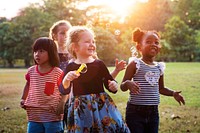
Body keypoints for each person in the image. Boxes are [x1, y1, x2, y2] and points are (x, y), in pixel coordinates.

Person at [49, 20, 127, 129]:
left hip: (101, 105)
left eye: (93, 41)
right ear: (74, 47)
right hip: (81, 107)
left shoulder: (98, 64)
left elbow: (109, 82)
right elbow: (63, 89)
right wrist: (66, 80)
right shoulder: (71, 66)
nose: (92, 44)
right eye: (87, 42)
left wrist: (113, 85)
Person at [120, 28, 185, 133]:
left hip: (153, 113)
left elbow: (161, 88)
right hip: (135, 112)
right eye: (148, 42)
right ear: (139, 47)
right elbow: (122, 86)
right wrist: (128, 83)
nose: (153, 44)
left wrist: (173, 93)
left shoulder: (159, 67)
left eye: (156, 42)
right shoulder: (135, 64)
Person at [20, 37, 65, 133]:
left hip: (52, 116)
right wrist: (23, 98)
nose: (37, 54)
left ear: (51, 53)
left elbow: (65, 90)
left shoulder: (57, 72)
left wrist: (62, 104)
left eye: (41, 51)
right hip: (34, 116)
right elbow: (28, 84)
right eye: (35, 51)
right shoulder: (31, 71)